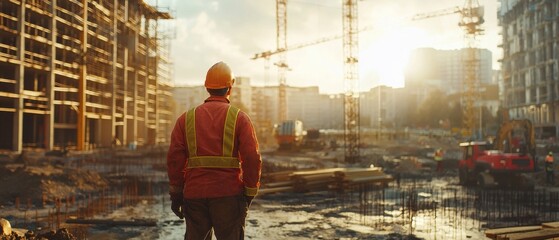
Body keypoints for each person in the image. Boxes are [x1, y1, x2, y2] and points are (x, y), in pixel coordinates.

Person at [167, 62, 262, 240]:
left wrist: (176, 194)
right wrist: (249, 193)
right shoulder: (240, 118)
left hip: (194, 195)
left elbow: (174, 159)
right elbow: (252, 158)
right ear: (230, 87)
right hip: (228, 195)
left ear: (207, 87)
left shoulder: (185, 119)